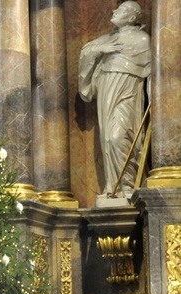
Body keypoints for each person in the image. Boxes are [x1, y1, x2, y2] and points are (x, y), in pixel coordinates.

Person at [78, 1, 150, 199]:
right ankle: (114, 186)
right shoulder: (108, 38)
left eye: (121, 10)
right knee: (107, 139)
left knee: (118, 137)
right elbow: (87, 51)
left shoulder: (143, 40)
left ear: (133, 17)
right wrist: (101, 49)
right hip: (107, 91)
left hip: (128, 92)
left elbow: (154, 74)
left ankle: (127, 185)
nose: (114, 11)